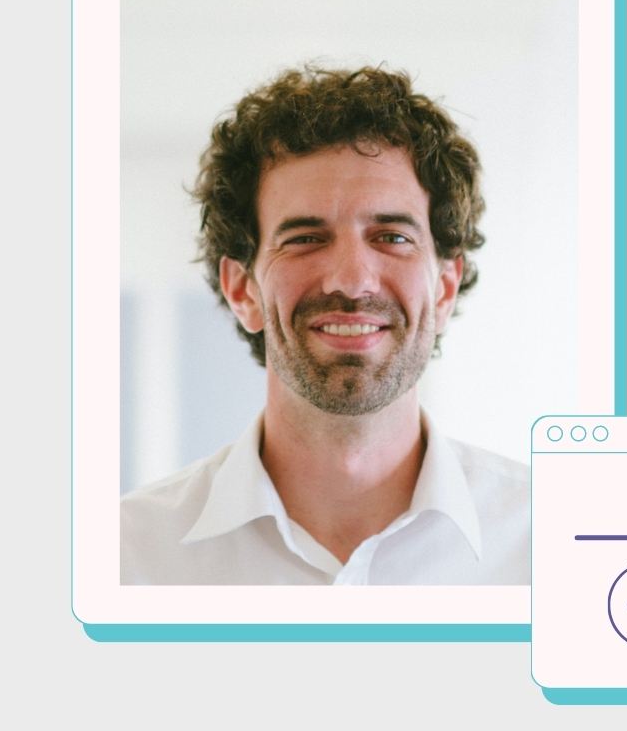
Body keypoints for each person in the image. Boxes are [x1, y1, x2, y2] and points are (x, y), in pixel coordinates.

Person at [121, 66, 530, 585]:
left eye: (392, 237)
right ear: (243, 289)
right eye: (305, 239)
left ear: (445, 287)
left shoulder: (563, 547)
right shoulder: (123, 558)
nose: (354, 281)